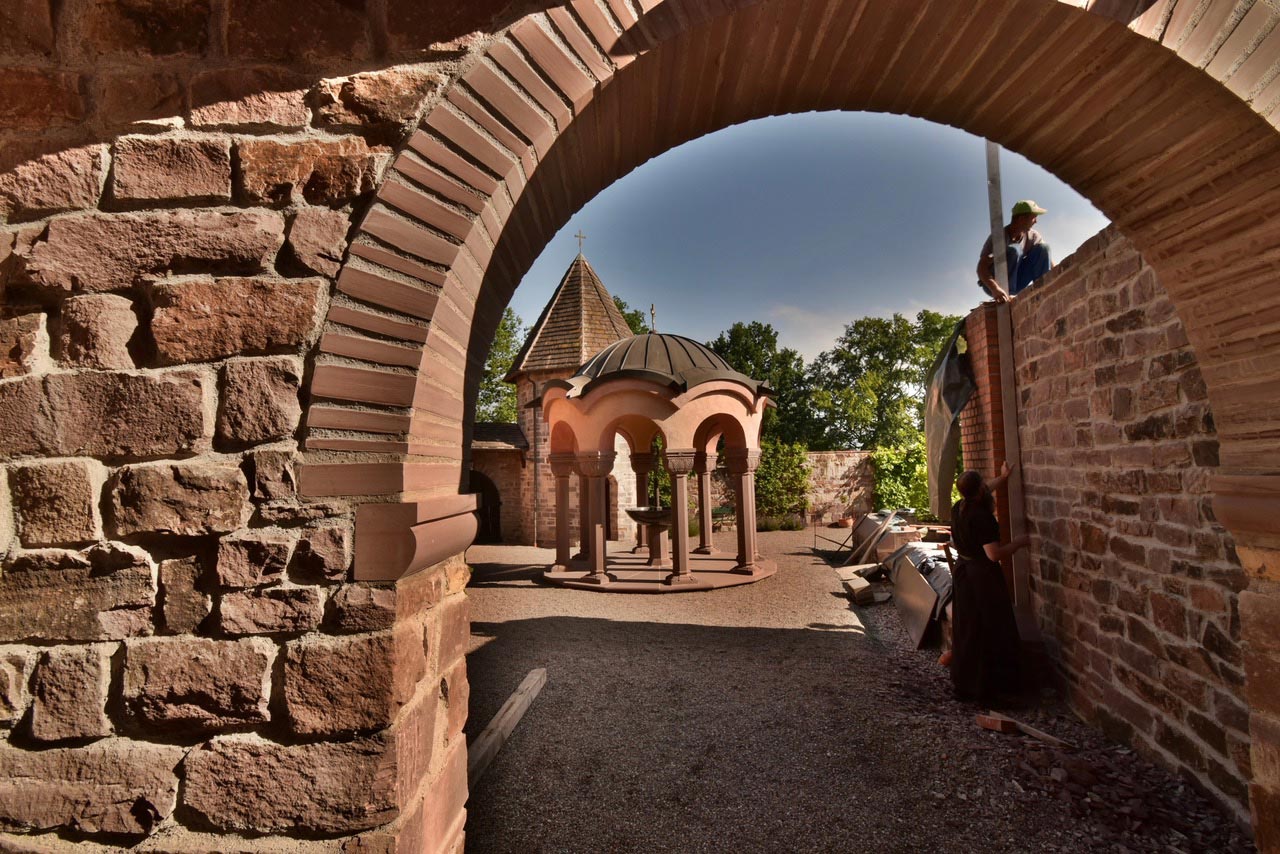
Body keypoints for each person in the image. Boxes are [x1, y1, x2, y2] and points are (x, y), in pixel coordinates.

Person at [948, 462, 1030, 704]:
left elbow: (982, 489)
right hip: (981, 579)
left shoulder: (959, 507)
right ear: (980, 490)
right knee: (988, 629)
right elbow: (993, 554)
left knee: (967, 629)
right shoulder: (981, 517)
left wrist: (1003, 478)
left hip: (964, 575)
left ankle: (965, 684)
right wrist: (1020, 543)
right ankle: (988, 689)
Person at [976, 200, 1051, 302]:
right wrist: (995, 289)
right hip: (994, 284)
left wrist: (1058, 276)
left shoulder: (1032, 235)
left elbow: (1046, 259)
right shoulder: (998, 237)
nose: (1036, 221)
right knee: (1014, 249)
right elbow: (982, 266)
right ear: (1021, 219)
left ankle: (1043, 289)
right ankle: (1008, 294)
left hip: (1017, 281)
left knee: (1043, 248)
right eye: (1034, 217)